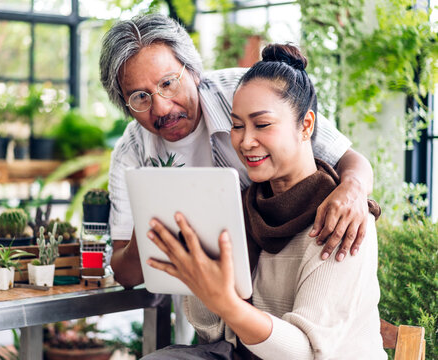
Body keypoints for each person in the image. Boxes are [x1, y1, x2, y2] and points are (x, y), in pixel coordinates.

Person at [143, 43, 386, 359]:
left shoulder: (345, 220)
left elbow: (305, 353)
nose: (245, 142)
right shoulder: (241, 208)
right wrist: (201, 274)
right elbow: (215, 332)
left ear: (306, 126)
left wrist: (227, 302)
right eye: (238, 125)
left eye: (262, 124)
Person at [99, 14, 374, 293]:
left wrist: (353, 188)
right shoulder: (130, 151)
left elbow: (349, 159)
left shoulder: (244, 92)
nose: (161, 108)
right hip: (202, 294)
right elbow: (125, 272)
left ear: (193, 71)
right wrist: (145, 234)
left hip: (287, 270)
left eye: (168, 83)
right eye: (140, 97)